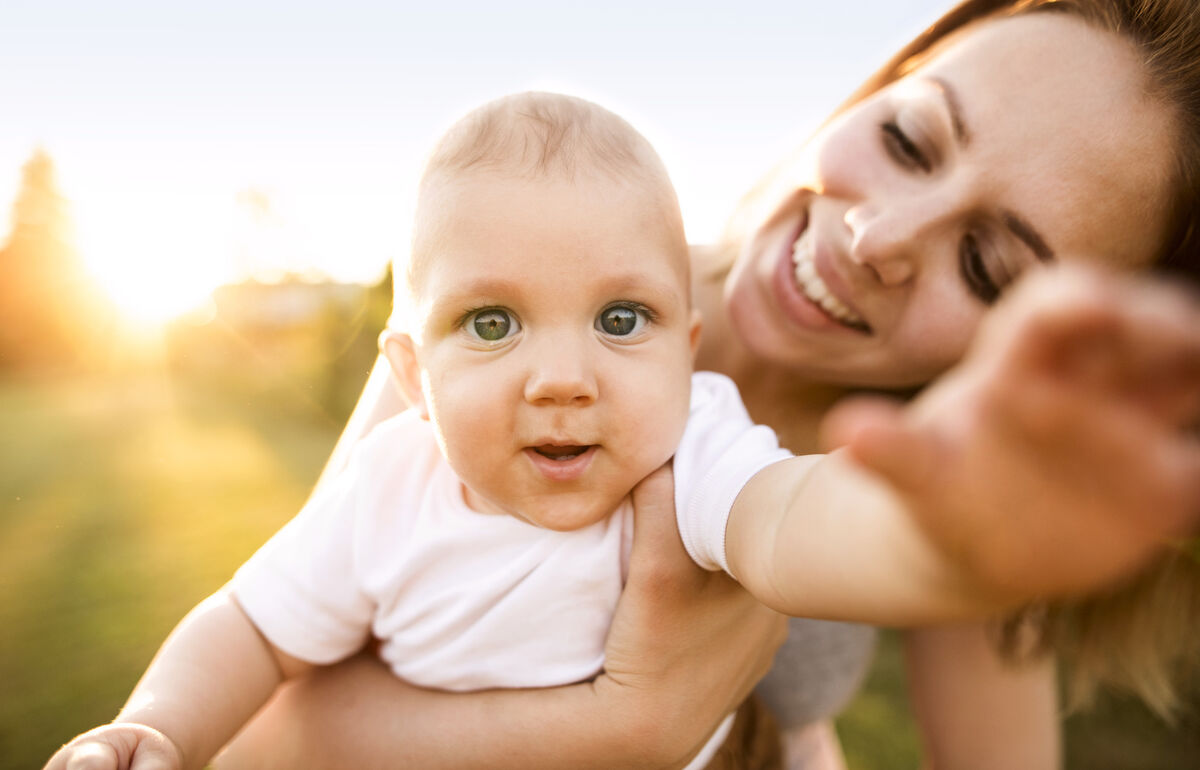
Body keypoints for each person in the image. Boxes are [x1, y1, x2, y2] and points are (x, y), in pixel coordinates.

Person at [59, 0, 1200, 767]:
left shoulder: (706, 438)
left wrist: (972, 531)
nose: (876, 233)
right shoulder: (448, 400)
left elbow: (820, 525)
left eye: (990, 264)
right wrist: (623, 723)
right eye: (908, 139)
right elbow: (268, 688)